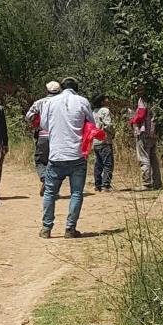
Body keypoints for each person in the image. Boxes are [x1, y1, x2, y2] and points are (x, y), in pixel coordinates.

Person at [39, 77, 95, 239]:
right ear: (76, 88)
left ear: (62, 87)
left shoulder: (50, 102)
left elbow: (44, 125)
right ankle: (70, 229)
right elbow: (90, 123)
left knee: (50, 192)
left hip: (56, 154)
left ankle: (46, 229)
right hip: (77, 154)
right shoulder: (83, 101)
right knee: (76, 193)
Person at [26, 81, 61, 196]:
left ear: (46, 90)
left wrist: (36, 123)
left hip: (43, 135)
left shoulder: (40, 102)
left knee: (40, 160)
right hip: (59, 137)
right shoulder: (63, 102)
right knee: (56, 161)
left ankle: (45, 179)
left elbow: (28, 116)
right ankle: (53, 185)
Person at [129, 85, 162, 190]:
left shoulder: (142, 101)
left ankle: (146, 183)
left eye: (140, 90)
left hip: (144, 132)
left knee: (144, 158)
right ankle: (157, 183)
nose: (138, 92)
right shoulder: (155, 101)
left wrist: (133, 120)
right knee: (153, 159)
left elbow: (141, 114)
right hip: (153, 132)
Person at [91, 94, 115, 192]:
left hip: (96, 141)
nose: (107, 100)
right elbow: (108, 125)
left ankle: (98, 185)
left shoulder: (93, 112)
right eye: (106, 99)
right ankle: (106, 185)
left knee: (98, 164)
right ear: (102, 102)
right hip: (105, 140)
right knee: (108, 163)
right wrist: (112, 132)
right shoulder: (105, 111)